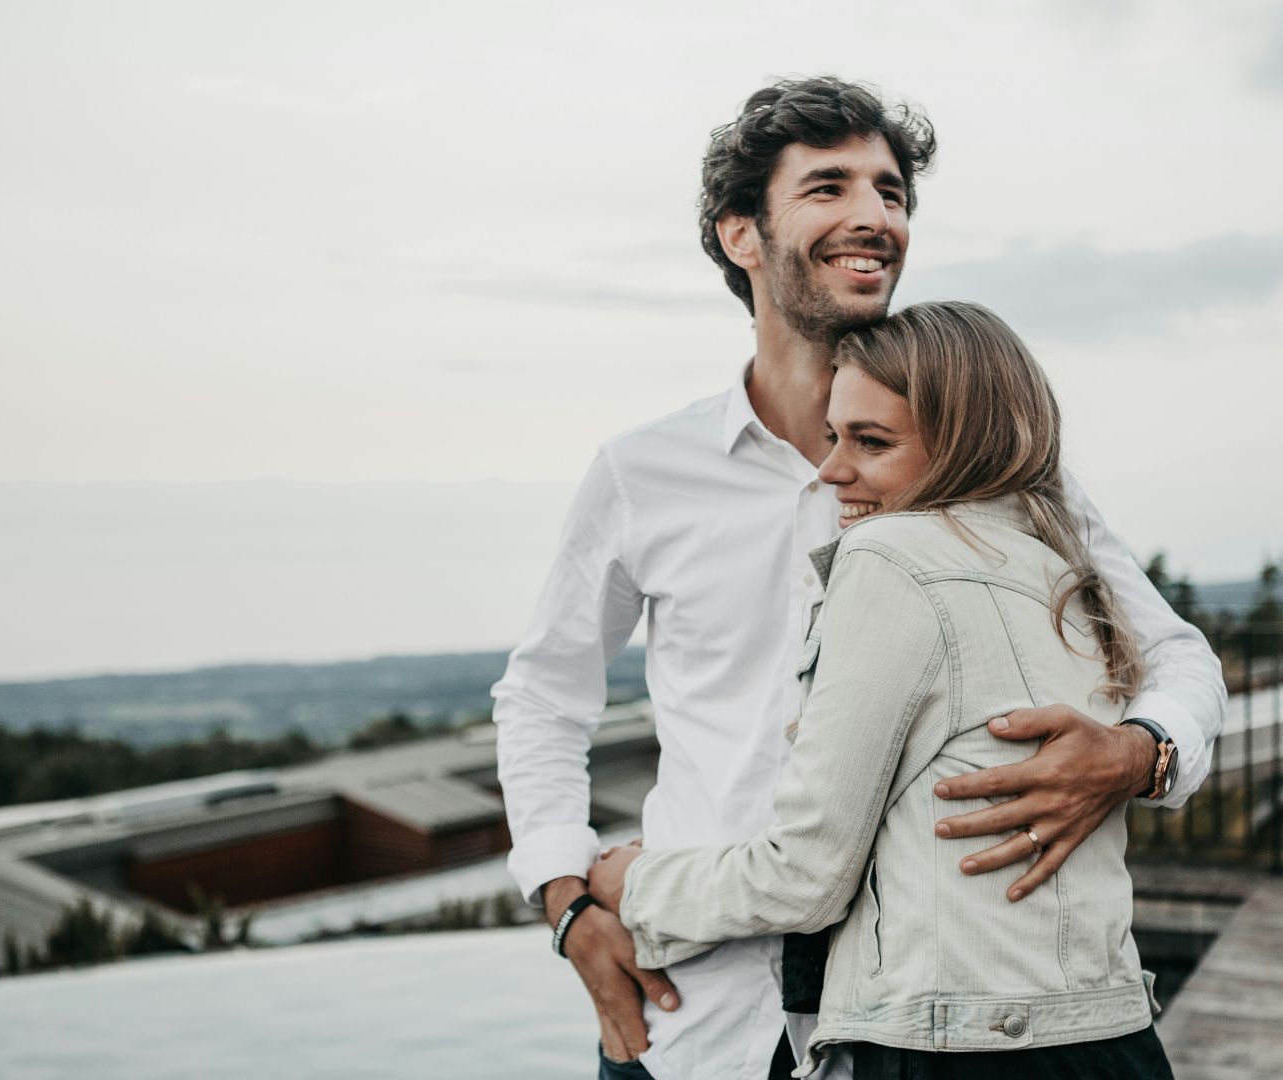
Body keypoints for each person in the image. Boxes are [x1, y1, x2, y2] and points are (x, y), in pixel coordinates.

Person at [492, 77, 1225, 1080]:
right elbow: (542, 696)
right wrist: (566, 901)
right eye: (830, 187)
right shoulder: (641, 472)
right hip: (696, 1017)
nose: (875, 217)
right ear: (742, 234)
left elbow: (1174, 653)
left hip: (911, 1033)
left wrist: (1139, 754)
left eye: (891, 192)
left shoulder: (997, 463)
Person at [588, 300, 1178, 1079]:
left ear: (966, 443)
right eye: (835, 436)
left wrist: (632, 884)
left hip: (955, 1050)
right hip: (1110, 1035)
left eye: (871, 442)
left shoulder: (890, 558)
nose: (832, 471)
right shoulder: (1067, 571)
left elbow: (806, 877)